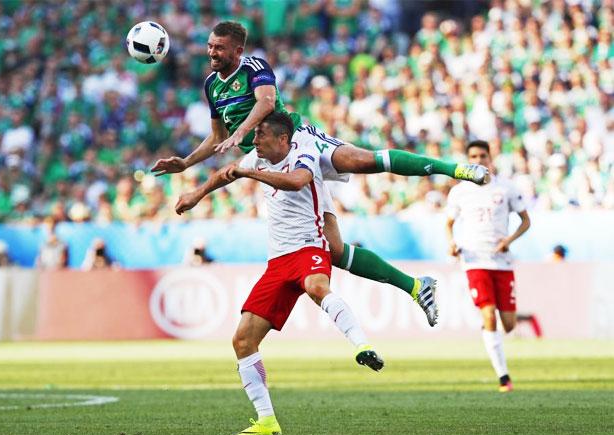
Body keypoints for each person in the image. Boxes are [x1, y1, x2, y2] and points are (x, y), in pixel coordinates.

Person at [151, 21, 455, 323]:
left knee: (362, 161)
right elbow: (218, 137)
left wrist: (240, 131)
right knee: (334, 251)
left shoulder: (254, 66)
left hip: (295, 142)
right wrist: (186, 163)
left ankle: (453, 169)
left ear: (237, 50)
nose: (212, 52)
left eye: (219, 47)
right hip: (266, 157)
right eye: (209, 46)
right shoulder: (211, 84)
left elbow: (266, 102)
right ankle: (416, 286)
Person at [176, 112, 390, 435]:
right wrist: (197, 194)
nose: (254, 139)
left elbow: (298, 181)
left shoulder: (303, 150)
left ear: (281, 139)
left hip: (309, 246)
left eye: (259, 134)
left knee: (317, 286)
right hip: (277, 260)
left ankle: (362, 346)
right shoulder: (257, 157)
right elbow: (225, 174)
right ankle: (266, 420)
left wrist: (252, 173)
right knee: (243, 340)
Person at [445, 140, 531, 393]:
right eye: (474, 156)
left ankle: (489, 328)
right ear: (468, 159)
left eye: (483, 155)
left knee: (509, 324)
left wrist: (509, 240)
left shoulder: (506, 188)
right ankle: (504, 377)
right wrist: (452, 244)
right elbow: (448, 224)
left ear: (490, 158)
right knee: (488, 312)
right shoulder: (459, 192)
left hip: (502, 261)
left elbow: (526, 221)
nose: (479, 160)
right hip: (474, 260)